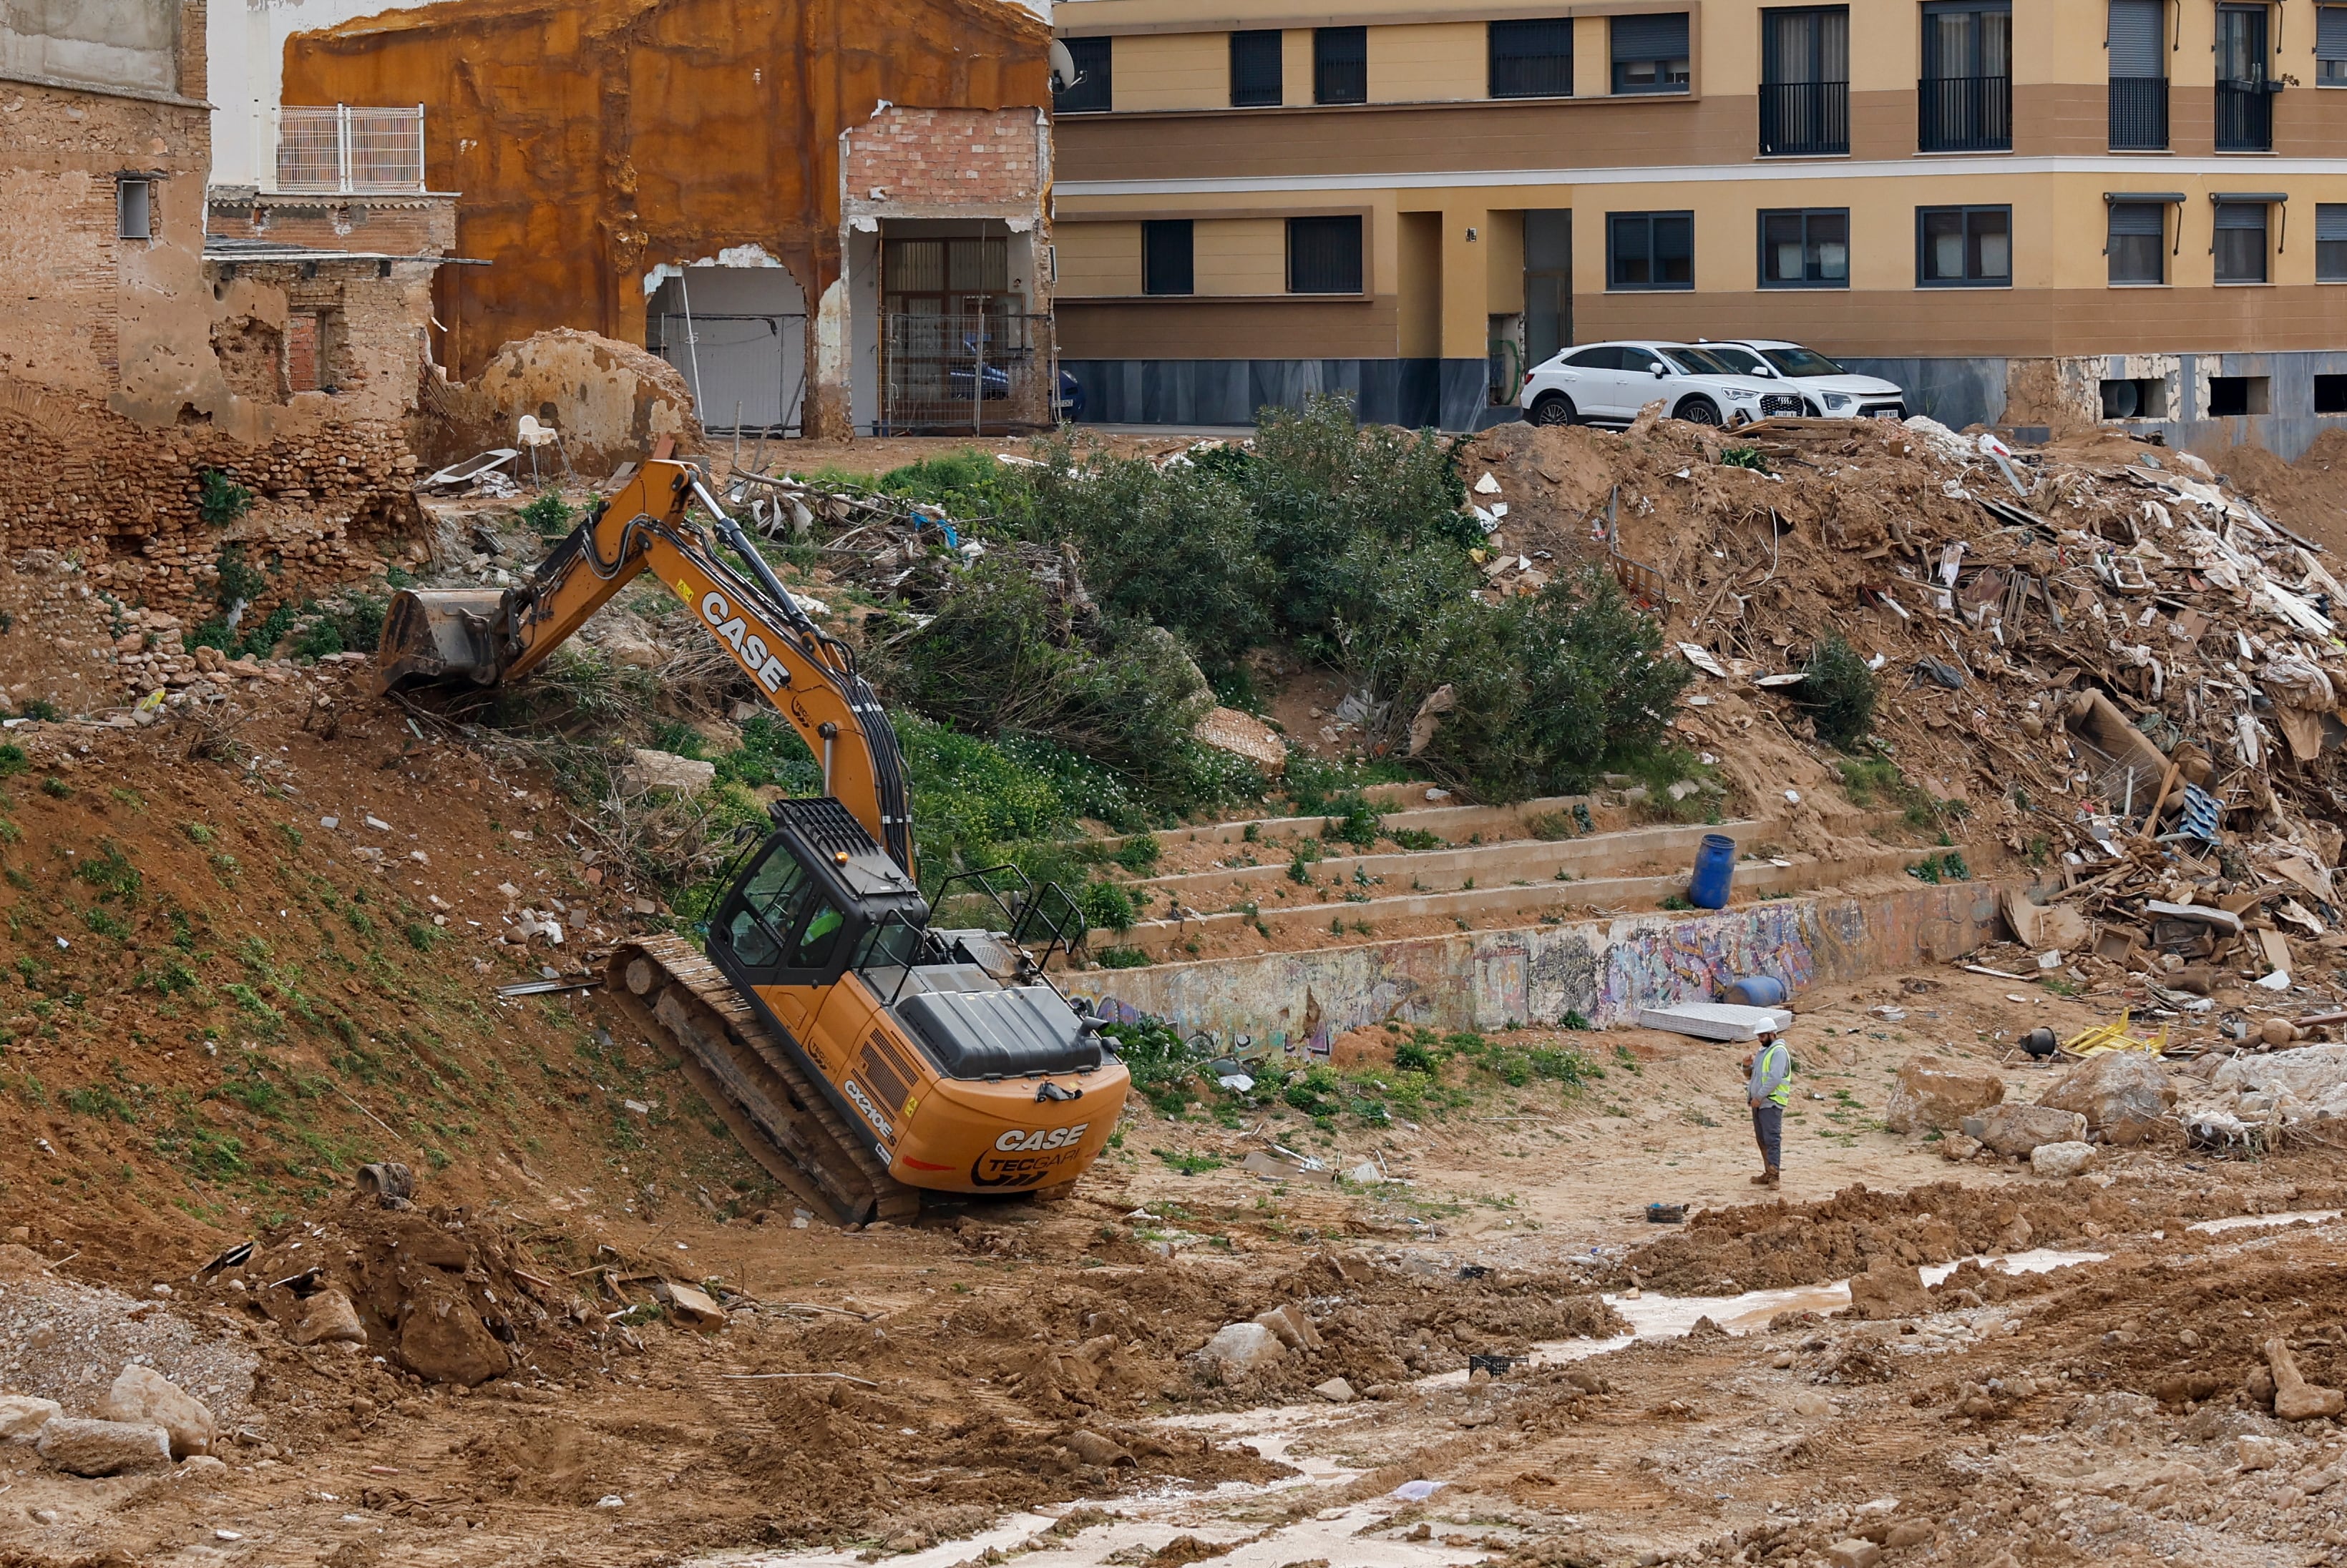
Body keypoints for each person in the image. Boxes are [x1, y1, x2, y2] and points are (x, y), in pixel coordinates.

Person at [1741, 1025, 1792, 1188]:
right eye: (1759, 1036)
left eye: (1763, 1036)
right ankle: (1768, 1173)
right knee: (1762, 1140)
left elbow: (1775, 1078)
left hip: (1771, 1102)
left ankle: (1774, 1176)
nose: (1760, 1039)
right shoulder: (1764, 1052)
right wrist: (1747, 1066)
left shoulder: (1778, 1052)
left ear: (1772, 1034)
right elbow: (1754, 1077)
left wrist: (1759, 1096)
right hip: (1759, 1103)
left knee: (1772, 1140)